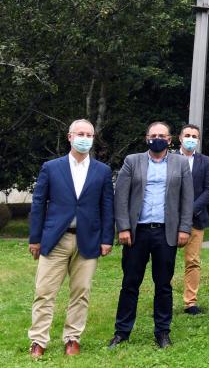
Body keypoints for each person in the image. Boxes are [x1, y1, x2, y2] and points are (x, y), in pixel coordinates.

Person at [27, 119, 114, 359]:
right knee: (44, 291)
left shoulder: (102, 171)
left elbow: (107, 207)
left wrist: (107, 238)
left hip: (88, 240)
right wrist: (35, 239)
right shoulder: (51, 167)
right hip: (55, 239)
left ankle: (73, 338)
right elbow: (38, 203)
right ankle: (38, 340)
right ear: (70, 137)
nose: (85, 138)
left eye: (89, 134)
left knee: (81, 292)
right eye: (80, 133)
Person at [109, 121, 193, 349]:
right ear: (147, 138)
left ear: (169, 140)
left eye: (162, 135)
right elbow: (121, 197)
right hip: (137, 233)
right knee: (130, 283)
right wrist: (124, 227)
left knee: (163, 285)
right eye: (153, 134)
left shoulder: (181, 163)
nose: (157, 138)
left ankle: (163, 332)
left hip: (166, 233)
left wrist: (184, 228)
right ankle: (122, 332)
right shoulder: (132, 161)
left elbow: (187, 199)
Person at [179, 123, 209, 315]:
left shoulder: (205, 161)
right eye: (187, 135)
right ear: (180, 138)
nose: (191, 139)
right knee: (164, 261)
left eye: (195, 136)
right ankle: (162, 298)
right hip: (171, 220)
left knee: (193, 260)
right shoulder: (169, 159)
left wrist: (190, 209)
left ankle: (190, 302)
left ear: (199, 140)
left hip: (196, 218)